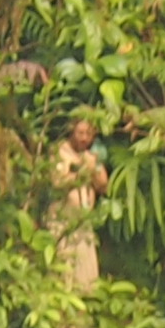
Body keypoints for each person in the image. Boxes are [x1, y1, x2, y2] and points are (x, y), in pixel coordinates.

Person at [50, 117, 107, 292]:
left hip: (84, 225)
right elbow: (58, 182)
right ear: (72, 131)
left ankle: (83, 317)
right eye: (80, 133)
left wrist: (93, 167)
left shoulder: (90, 155)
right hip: (63, 225)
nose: (84, 138)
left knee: (86, 282)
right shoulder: (60, 152)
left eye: (88, 134)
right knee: (64, 279)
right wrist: (82, 172)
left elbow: (104, 186)